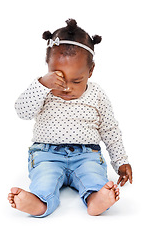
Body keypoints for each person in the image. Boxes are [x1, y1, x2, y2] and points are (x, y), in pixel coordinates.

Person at [8, 19, 132, 217]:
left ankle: (96, 199)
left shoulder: (97, 95)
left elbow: (110, 130)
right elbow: (21, 112)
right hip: (47, 155)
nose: (66, 87)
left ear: (90, 71)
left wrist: (120, 161)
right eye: (58, 77)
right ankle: (40, 202)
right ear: (47, 67)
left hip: (86, 156)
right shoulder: (44, 90)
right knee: (44, 178)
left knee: (94, 176)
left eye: (76, 81)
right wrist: (42, 84)